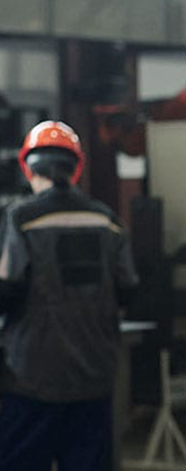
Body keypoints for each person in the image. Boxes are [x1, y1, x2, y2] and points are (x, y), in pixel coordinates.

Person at [0, 121, 139, 471]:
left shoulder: (20, 218)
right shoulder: (107, 220)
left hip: (31, 378)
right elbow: (128, 289)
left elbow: (7, 291)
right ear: (76, 167)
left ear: (27, 166)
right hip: (94, 378)